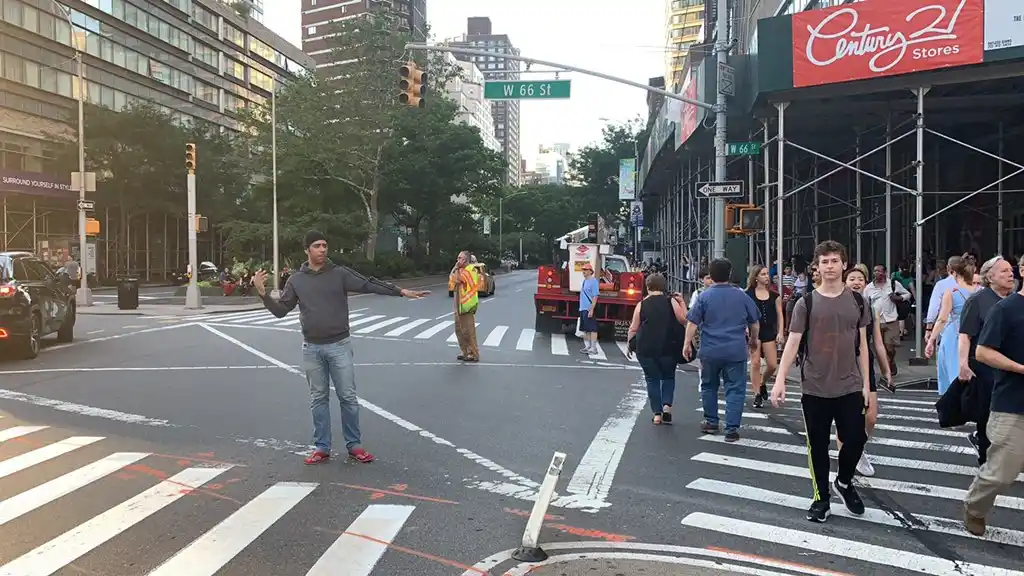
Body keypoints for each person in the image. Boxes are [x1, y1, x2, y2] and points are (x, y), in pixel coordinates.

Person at [252, 230, 429, 465]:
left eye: (325, 245)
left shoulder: (339, 274)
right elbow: (281, 311)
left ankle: (354, 445)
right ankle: (321, 447)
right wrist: (263, 294)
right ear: (307, 250)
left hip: (339, 345)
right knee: (318, 399)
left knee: (347, 397)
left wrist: (400, 291)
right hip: (312, 348)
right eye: (317, 245)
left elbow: (368, 284)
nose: (323, 249)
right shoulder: (296, 280)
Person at [772, 240, 871, 523]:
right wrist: (780, 379)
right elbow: (792, 343)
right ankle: (821, 498)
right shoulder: (806, 303)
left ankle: (844, 481)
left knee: (856, 438)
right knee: (817, 445)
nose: (830, 266)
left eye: (835, 261)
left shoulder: (858, 301)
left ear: (844, 264)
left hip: (850, 384)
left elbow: (862, 345)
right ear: (817, 266)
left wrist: (866, 383)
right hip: (815, 385)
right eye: (824, 261)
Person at [963, 274, 1024, 537]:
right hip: (1013, 404)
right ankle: (974, 508)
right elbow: (983, 352)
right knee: (1000, 474)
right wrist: (1020, 368)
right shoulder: (1006, 309)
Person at [684, 258, 760, 442]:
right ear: (730, 273)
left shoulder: (703, 296)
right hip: (735, 350)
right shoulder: (741, 295)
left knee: (709, 386)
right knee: (735, 388)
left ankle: (711, 421)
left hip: (710, 350)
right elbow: (754, 322)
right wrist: (753, 340)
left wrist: (687, 343)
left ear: (711, 274)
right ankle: (731, 428)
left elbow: (693, 323)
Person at [958, 256, 1015, 464]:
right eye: (1003, 271)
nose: (1010, 274)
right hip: (984, 367)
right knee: (987, 415)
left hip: (1010, 367)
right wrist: (963, 364)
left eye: (1011, 270)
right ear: (989, 277)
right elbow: (965, 335)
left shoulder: (1014, 299)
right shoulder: (978, 301)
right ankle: (985, 457)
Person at [841, 264, 892, 477]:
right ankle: (848, 459)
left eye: (860, 279)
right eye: (851, 278)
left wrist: (886, 370)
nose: (856, 282)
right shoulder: (837, 306)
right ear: (845, 282)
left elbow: (877, 342)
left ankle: (858, 447)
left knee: (871, 417)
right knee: (848, 417)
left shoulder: (871, 308)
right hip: (842, 365)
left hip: (865, 364)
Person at [627, 273, 688, 425]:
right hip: (669, 346)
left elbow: (634, 327)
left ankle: (657, 414)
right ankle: (667, 406)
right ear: (663, 286)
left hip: (646, 347)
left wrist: (629, 344)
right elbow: (684, 320)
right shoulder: (671, 301)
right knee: (668, 377)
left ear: (647, 286)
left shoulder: (642, 304)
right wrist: (682, 303)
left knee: (652, 379)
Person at [925, 257, 977, 395]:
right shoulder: (980, 289)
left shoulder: (950, 290)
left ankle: (953, 406)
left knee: (950, 372)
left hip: (953, 333)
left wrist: (930, 338)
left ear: (950, 270)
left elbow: (941, 318)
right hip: (976, 333)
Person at [745, 265, 784, 409]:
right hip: (753, 330)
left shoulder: (774, 295)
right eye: (763, 274)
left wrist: (780, 332)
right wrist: (745, 329)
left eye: (767, 274)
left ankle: (762, 383)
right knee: (755, 362)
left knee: (772, 364)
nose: (766, 276)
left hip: (768, 330)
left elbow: (780, 315)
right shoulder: (747, 294)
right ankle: (756, 394)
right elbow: (743, 313)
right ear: (756, 277)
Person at [864, 264, 912, 377]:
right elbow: (865, 303)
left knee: (889, 346)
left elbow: (908, 294)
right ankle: (886, 370)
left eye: (880, 271)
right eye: (875, 271)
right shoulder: (869, 288)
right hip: (876, 321)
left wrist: (899, 298)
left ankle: (891, 361)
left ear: (885, 272)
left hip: (891, 319)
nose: (877, 273)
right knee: (879, 347)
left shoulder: (893, 284)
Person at [452, 250, 481, 362]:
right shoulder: (462, 270)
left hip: (467, 304)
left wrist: (456, 268)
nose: (457, 260)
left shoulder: (470, 270)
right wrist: (457, 268)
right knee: (459, 329)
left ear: (465, 260)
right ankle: (465, 352)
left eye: (460, 258)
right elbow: (452, 279)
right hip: (460, 304)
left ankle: (473, 353)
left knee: (468, 331)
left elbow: (458, 280)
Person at [578, 262, 600, 355]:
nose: (584, 271)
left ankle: (594, 348)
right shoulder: (584, 281)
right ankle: (588, 347)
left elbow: (595, 296)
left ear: (591, 271)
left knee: (592, 328)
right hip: (583, 308)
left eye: (586, 270)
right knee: (586, 329)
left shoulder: (593, 281)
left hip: (589, 308)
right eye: (583, 269)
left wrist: (591, 309)